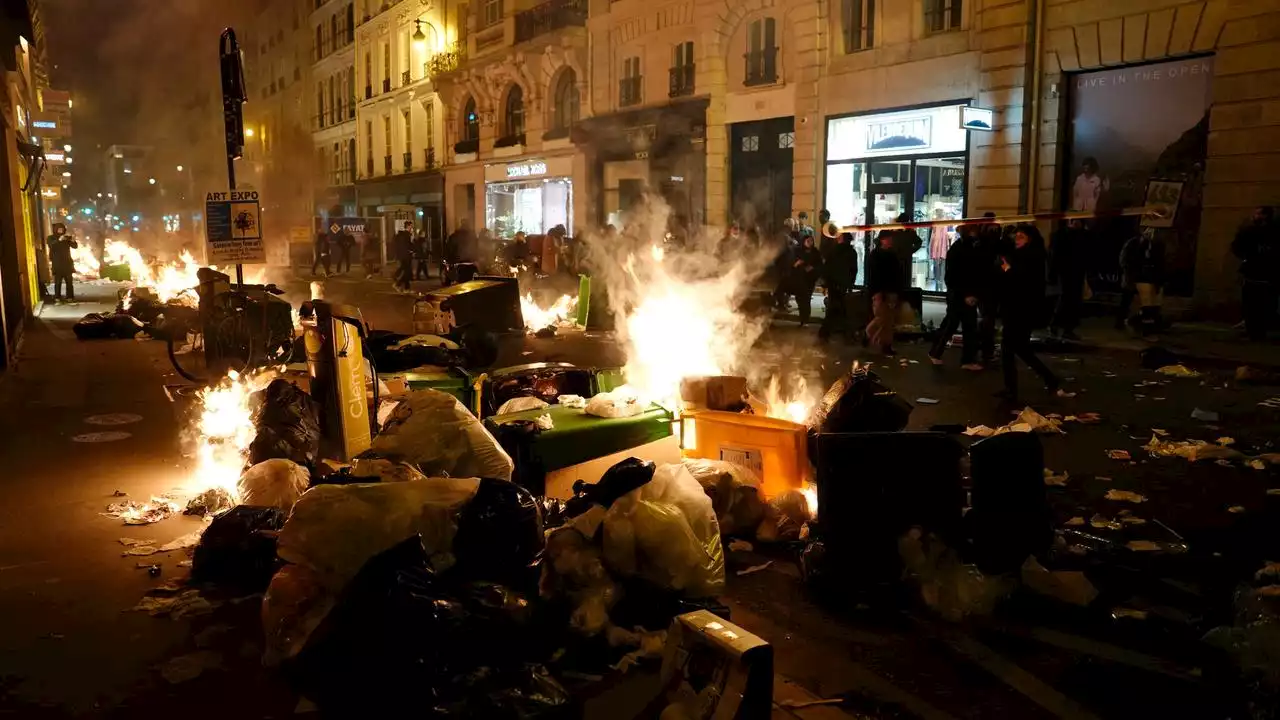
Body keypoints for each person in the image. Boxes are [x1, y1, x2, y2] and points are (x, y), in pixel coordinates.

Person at [997, 224, 1060, 403]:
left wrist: (1008, 270)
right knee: (1018, 349)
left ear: (1030, 239)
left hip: (1022, 309)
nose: (1017, 240)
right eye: (1016, 236)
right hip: (1015, 308)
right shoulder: (1020, 255)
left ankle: (1013, 388)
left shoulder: (1033, 256)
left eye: (1021, 237)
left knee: (1012, 348)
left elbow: (1024, 281)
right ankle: (1048, 379)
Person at [928, 224, 983, 369]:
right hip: (961, 295)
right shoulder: (962, 249)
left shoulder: (965, 248)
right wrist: (966, 294)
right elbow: (955, 276)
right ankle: (963, 359)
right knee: (957, 325)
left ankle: (939, 352)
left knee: (957, 325)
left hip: (961, 294)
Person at [1232, 206, 1279, 340]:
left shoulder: (1252, 231)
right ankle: (1258, 330)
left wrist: (1247, 257)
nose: (1255, 216)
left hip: (1258, 273)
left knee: (1253, 303)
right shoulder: (1272, 232)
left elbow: (1237, 247)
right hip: (1265, 274)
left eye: (1258, 214)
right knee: (1263, 303)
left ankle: (1255, 331)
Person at [1119, 227, 1166, 336]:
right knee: (1128, 300)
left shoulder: (1156, 245)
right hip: (1135, 276)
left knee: (1148, 303)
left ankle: (1145, 323)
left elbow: (1159, 262)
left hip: (1147, 278)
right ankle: (1124, 320)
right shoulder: (1134, 243)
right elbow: (1126, 259)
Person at [1049, 219, 1089, 340]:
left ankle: (1067, 328)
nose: (1076, 223)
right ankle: (1055, 325)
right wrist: (1053, 273)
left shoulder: (1083, 236)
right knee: (1066, 299)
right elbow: (1055, 255)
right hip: (1065, 272)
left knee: (1073, 301)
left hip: (1077, 272)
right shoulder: (1061, 235)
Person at [864, 230, 901, 355]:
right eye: (888, 238)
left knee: (889, 320)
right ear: (882, 240)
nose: (890, 241)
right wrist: (876, 291)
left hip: (891, 290)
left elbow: (896, 274)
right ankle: (868, 334)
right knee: (881, 317)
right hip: (879, 290)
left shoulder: (892, 254)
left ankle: (886, 345)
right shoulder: (876, 255)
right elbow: (873, 275)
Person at [818, 229, 858, 341]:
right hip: (843, 284)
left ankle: (825, 332)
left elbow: (827, 268)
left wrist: (825, 283)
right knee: (840, 308)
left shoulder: (834, 251)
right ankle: (846, 333)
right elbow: (853, 270)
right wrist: (850, 283)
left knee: (834, 308)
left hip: (833, 283)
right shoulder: (852, 252)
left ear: (841, 238)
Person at [974, 213, 1004, 364]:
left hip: (991, 285)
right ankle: (986, 351)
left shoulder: (986, 243)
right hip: (987, 286)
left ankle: (985, 349)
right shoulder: (983, 244)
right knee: (987, 318)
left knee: (987, 318)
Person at [789, 233, 824, 326]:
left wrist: (812, 267)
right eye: (808, 241)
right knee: (800, 299)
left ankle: (805, 319)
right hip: (799, 278)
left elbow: (820, 264)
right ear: (803, 241)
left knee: (807, 299)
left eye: (811, 241)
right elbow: (791, 264)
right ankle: (802, 319)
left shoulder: (815, 252)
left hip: (810, 279)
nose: (810, 243)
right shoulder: (797, 251)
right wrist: (797, 264)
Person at [46, 223, 77, 303]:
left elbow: (74, 246)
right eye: (59, 229)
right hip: (57, 263)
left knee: (69, 282)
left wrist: (73, 240)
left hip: (67, 263)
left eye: (62, 229)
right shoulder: (51, 238)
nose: (61, 231)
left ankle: (70, 297)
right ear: (55, 229)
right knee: (58, 282)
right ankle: (57, 297)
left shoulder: (66, 238)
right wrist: (59, 240)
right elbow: (51, 245)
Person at [892, 212, 923, 289]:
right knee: (897, 280)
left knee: (904, 280)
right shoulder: (894, 231)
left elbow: (919, 242)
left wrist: (910, 251)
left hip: (905, 259)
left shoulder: (910, 232)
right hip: (895, 259)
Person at [392, 223, 415, 291]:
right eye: (411, 227)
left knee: (406, 272)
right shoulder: (406, 235)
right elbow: (408, 246)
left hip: (402, 256)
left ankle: (406, 288)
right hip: (406, 256)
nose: (412, 228)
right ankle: (398, 284)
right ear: (408, 227)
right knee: (407, 272)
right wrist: (411, 250)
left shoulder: (402, 235)